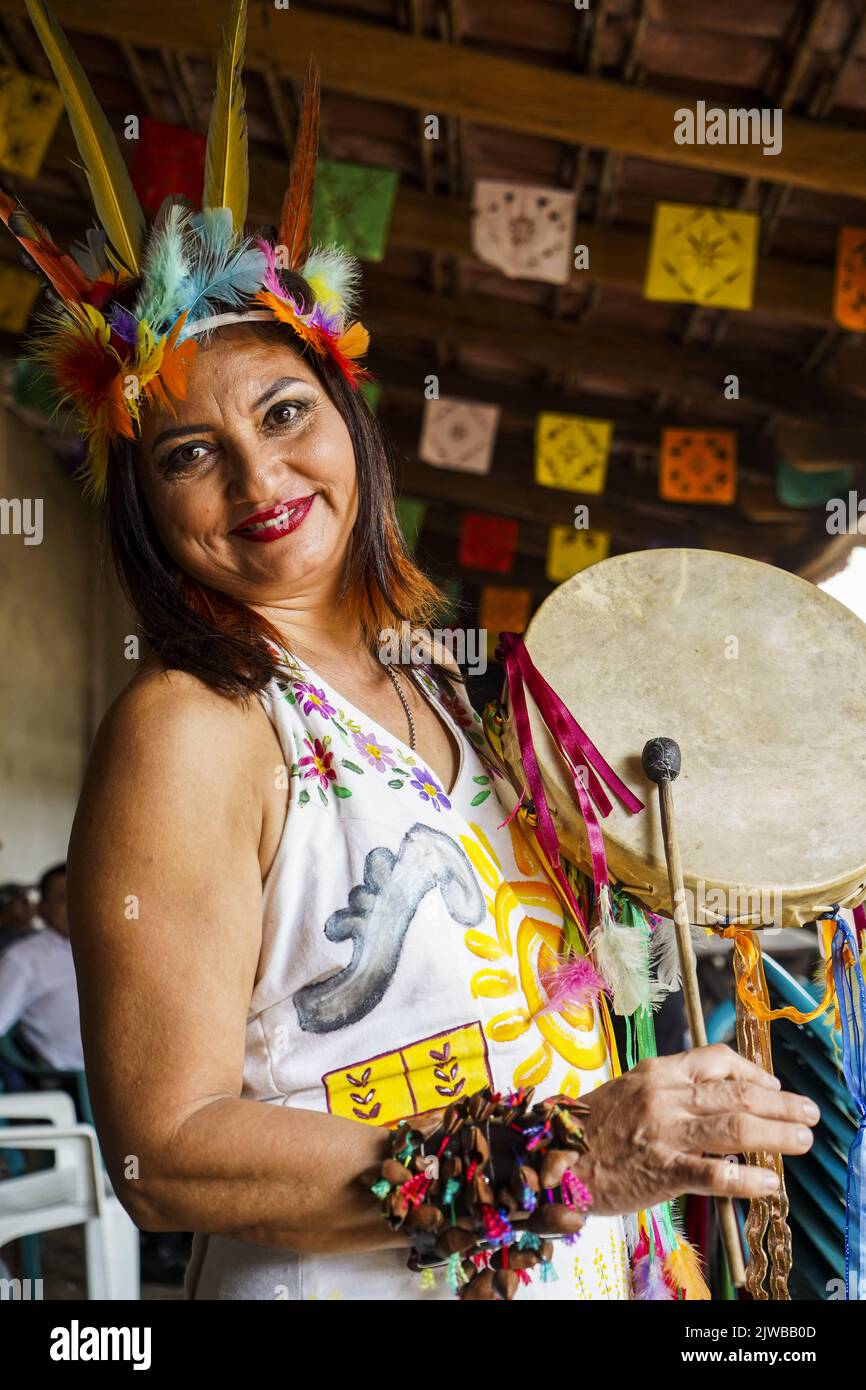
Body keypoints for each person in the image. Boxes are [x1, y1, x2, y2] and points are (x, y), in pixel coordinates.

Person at [6, 1, 818, 1302]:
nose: (258, 475)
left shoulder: (465, 691)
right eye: (188, 452)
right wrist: (577, 1158)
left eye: (283, 411)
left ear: (351, 423)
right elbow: (166, 1151)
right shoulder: (195, 724)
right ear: (146, 503)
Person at [0, 864, 84, 1071]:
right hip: (71, 1080)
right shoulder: (25, 959)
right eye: (64, 898)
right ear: (42, 908)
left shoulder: (100, 952)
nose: (78, 905)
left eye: (83, 894)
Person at [0, 883, 36, 955]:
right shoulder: (3, 941)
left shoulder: (44, 935)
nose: (27, 902)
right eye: (19, 899)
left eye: (27, 897)